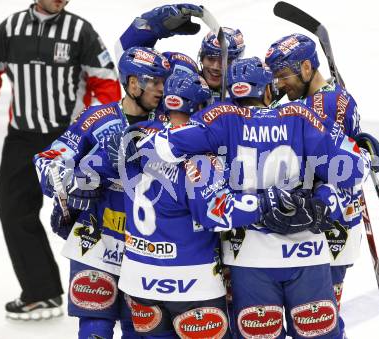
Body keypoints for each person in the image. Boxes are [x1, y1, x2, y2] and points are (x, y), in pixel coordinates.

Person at [134, 57, 379, 338]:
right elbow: (353, 170)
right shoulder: (300, 116)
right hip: (306, 251)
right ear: (268, 91)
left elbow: (156, 150)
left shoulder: (221, 118)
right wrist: (330, 193)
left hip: (248, 257)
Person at [93, 70, 328, 338]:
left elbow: (90, 174)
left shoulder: (134, 138)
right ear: (201, 107)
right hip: (191, 282)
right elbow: (216, 213)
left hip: (138, 279)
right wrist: (266, 201)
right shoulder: (201, 157)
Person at [0, 0, 121, 320]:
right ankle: (41, 292)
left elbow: (106, 81)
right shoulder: (9, 29)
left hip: (67, 140)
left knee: (85, 215)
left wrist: (100, 132)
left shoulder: (80, 31)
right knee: (12, 209)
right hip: (21, 136)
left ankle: (112, 291)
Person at [33, 46, 169, 337]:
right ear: (133, 83)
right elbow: (47, 160)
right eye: (154, 81)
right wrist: (74, 182)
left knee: (141, 330)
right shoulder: (97, 118)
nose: (161, 88)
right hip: (97, 239)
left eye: (163, 81)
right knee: (95, 328)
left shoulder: (169, 123)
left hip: (146, 244)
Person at [265, 33, 379, 337]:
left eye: (283, 75)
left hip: (330, 226)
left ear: (307, 67)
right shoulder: (331, 97)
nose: (279, 84)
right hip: (320, 222)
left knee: (315, 323)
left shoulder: (326, 102)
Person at [115, 3, 245, 97]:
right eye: (210, 58)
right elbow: (126, 58)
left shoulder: (248, 93)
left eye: (225, 60)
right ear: (201, 57)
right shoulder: (179, 72)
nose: (216, 67)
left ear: (237, 63)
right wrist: (152, 27)